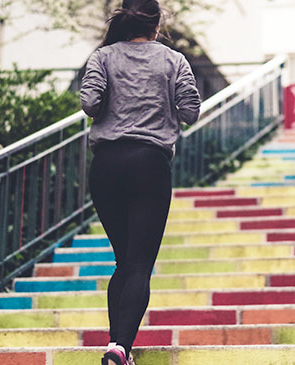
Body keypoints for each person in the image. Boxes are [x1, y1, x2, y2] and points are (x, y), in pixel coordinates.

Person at [80, 0, 201, 364]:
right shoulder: (173, 60)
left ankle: (118, 346)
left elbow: (89, 102)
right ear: (157, 22)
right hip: (149, 165)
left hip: (106, 166)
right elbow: (190, 111)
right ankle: (120, 347)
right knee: (138, 265)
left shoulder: (102, 57)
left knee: (124, 262)